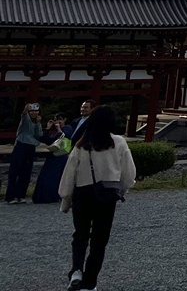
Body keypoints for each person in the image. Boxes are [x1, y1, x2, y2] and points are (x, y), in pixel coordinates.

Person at [59, 105, 137, 291]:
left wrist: (66, 199)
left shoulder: (82, 144)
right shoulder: (118, 142)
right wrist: (122, 190)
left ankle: (77, 270)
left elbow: (69, 174)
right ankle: (90, 282)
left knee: (80, 235)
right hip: (107, 194)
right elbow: (128, 173)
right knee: (99, 240)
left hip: (82, 193)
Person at [6, 103, 42, 204]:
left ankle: (20, 195)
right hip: (21, 146)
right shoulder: (25, 121)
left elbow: (38, 134)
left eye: (36, 111)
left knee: (26, 172)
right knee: (14, 171)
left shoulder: (36, 122)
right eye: (32, 111)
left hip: (31, 147)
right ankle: (10, 196)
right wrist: (25, 111)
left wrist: (39, 123)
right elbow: (24, 116)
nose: (34, 113)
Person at [33, 114, 73, 204]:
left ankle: (53, 196)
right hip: (52, 155)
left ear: (64, 120)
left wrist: (59, 129)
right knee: (46, 175)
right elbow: (46, 140)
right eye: (56, 120)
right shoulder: (54, 131)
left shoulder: (68, 128)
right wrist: (48, 128)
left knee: (55, 176)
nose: (57, 122)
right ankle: (42, 196)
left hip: (61, 155)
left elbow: (66, 137)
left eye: (60, 119)